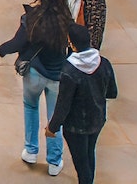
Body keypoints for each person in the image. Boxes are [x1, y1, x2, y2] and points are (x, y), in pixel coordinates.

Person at [0, 0, 75, 176]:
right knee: (54, 118)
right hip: (58, 77)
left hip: (35, 73)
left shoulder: (32, 19)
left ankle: (31, 151)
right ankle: (55, 162)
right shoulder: (67, 21)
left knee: (30, 107)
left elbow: (17, 42)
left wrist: (2, 49)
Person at [46, 23, 119, 184]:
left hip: (75, 127)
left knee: (81, 164)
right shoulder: (104, 63)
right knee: (89, 154)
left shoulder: (69, 70)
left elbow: (63, 104)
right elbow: (112, 92)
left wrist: (52, 127)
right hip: (97, 120)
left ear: (72, 44)